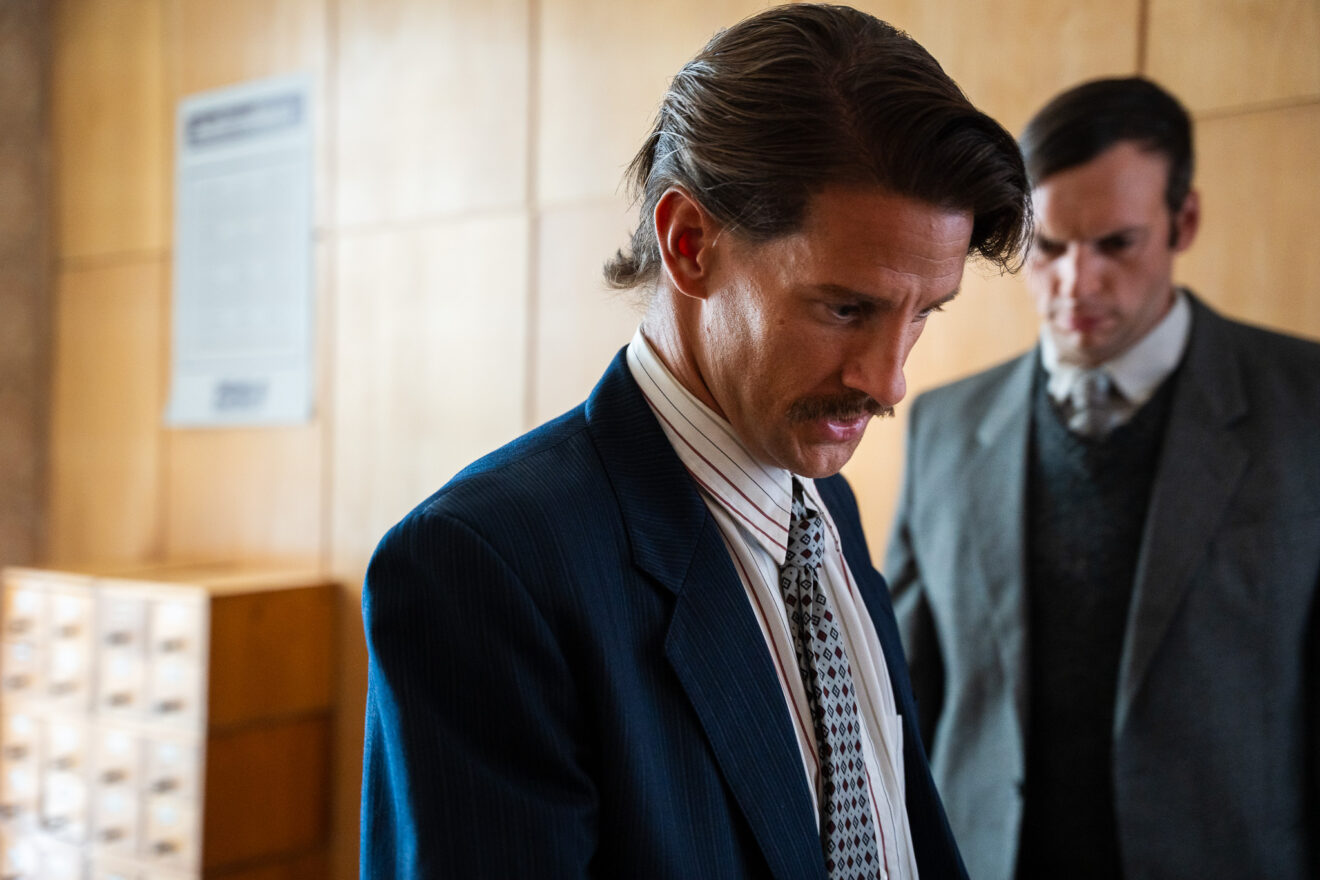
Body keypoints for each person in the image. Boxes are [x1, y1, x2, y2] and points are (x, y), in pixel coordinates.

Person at [359, 5, 1030, 877]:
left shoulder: (826, 505)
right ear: (689, 244)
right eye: (845, 309)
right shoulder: (484, 566)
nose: (888, 379)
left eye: (923, 314)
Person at [886, 75, 1320, 880]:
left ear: (1184, 222)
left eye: (1116, 243)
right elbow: (902, 703)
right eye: (1049, 247)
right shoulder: (940, 425)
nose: (1076, 284)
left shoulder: (1305, 407)